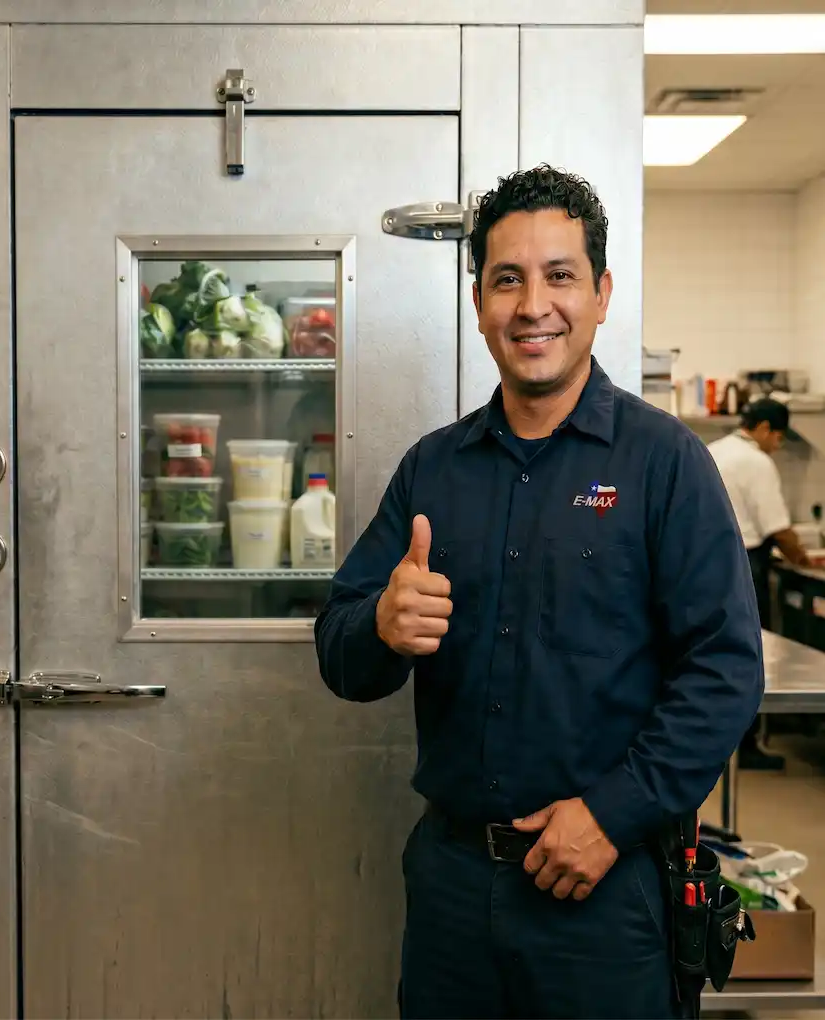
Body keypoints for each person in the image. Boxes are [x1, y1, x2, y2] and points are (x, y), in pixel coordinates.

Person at [314, 165, 765, 1019]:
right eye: (506, 279)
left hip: (605, 892)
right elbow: (341, 652)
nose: (533, 305)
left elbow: (725, 675)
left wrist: (610, 814)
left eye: (559, 275)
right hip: (450, 891)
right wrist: (379, 622)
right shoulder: (432, 470)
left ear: (600, 292)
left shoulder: (664, 463)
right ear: (477, 297)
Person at [708, 398, 811, 771]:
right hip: (745, 565)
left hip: (706, 563)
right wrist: (804, 558)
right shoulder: (757, 462)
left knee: (715, 655)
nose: (777, 445)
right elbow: (777, 527)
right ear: (765, 429)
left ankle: (715, 743)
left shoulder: (712, 450)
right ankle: (748, 745)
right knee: (751, 656)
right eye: (779, 437)